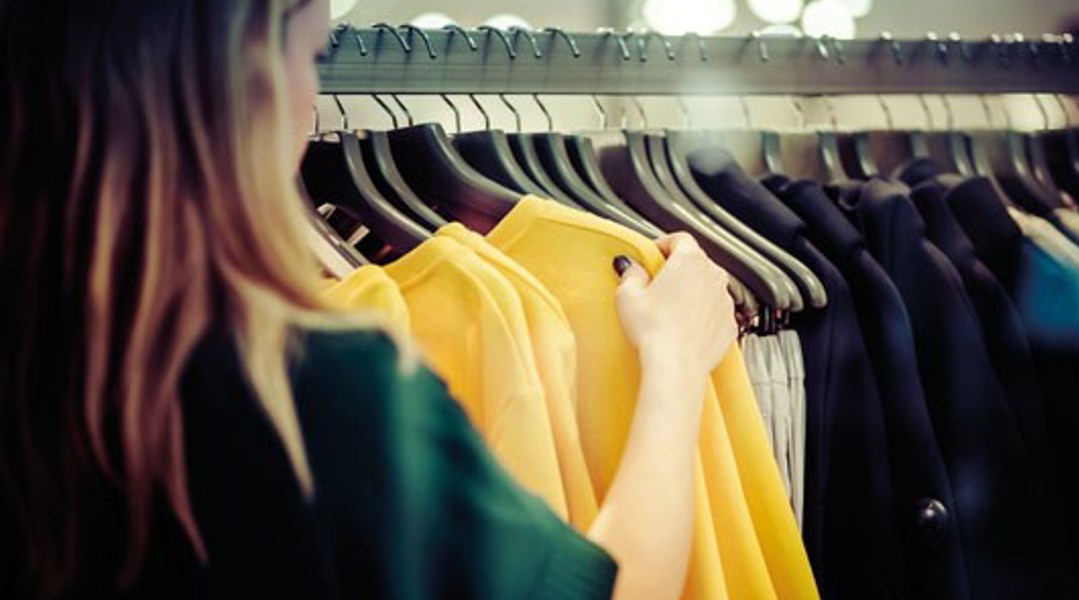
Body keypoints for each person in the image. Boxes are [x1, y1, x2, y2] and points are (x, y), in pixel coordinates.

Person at [0, 1, 737, 599]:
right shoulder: (313, 392)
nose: (312, 101)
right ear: (248, 78)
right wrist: (673, 367)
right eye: (312, 56)